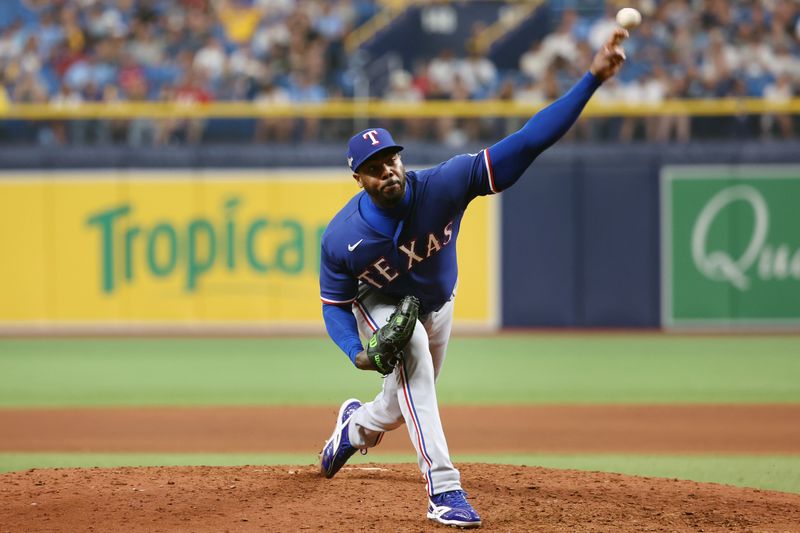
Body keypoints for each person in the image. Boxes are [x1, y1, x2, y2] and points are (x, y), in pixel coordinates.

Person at [318, 28, 629, 529]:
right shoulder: (342, 238)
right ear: (359, 179)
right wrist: (355, 352)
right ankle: (444, 489)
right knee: (411, 350)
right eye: (375, 168)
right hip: (380, 303)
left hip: (439, 301)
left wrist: (592, 78)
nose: (388, 171)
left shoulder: (445, 184)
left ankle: (353, 429)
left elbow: (528, 141)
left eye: (391, 159)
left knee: (401, 406)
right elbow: (334, 304)